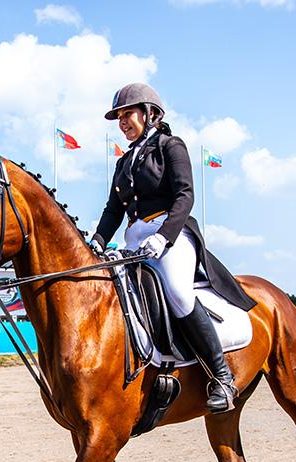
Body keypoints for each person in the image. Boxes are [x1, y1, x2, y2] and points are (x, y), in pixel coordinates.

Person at [91, 82, 257, 413]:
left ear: (150, 113)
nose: (122, 122)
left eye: (128, 114)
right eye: (119, 117)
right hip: (135, 240)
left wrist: (164, 236)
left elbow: (185, 195)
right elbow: (113, 209)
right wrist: (96, 239)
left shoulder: (170, 146)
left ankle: (221, 378)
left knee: (179, 292)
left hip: (172, 233)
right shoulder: (124, 162)